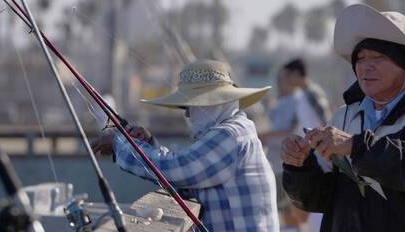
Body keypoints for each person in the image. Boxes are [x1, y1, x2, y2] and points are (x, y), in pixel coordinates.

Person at [280, 4, 405, 231]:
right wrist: (299, 166)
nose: (366, 66)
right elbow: (318, 199)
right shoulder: (344, 117)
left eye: (378, 57)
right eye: (361, 58)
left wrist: (355, 146)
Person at [91, 59, 279, 231]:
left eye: (189, 106)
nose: (187, 115)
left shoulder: (230, 135)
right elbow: (187, 174)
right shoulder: (236, 130)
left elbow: (176, 169)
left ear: (212, 103)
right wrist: (148, 144)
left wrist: (119, 144)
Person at [260, 59, 331, 231]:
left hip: (318, 160)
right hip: (307, 158)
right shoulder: (303, 96)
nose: (286, 80)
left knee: (298, 215)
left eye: (288, 76)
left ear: (297, 74)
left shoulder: (312, 94)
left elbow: (326, 122)